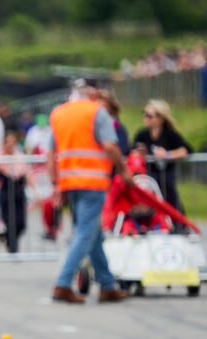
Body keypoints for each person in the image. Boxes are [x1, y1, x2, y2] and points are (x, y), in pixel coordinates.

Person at [49, 80, 131, 304]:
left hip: (69, 181)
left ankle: (107, 285)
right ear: (93, 93)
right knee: (85, 233)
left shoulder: (58, 113)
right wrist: (124, 171)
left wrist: (55, 182)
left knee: (92, 233)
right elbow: (110, 146)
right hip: (93, 181)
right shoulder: (97, 112)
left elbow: (51, 152)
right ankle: (63, 284)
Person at [132, 99, 192, 226]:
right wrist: (140, 155)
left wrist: (168, 155)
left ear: (160, 118)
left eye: (149, 115)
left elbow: (186, 150)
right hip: (147, 178)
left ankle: (179, 227)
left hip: (166, 178)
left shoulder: (169, 135)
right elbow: (131, 153)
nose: (145, 117)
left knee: (171, 203)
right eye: (144, 114)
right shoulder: (142, 135)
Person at [0, 129, 30, 254]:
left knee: (21, 224)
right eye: (7, 142)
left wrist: (35, 192)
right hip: (5, 193)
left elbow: (26, 174)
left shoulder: (20, 157)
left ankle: (10, 241)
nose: (10, 145)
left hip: (19, 193)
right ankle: (12, 247)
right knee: (9, 222)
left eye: (12, 142)